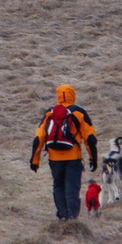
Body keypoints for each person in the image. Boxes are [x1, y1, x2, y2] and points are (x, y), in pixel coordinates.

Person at [29, 84, 98, 220]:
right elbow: (90, 139)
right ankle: (72, 217)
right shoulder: (79, 112)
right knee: (72, 187)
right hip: (73, 157)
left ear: (58, 95)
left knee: (58, 185)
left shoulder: (50, 112)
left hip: (54, 158)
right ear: (73, 95)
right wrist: (93, 159)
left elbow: (39, 138)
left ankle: (62, 215)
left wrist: (35, 160)